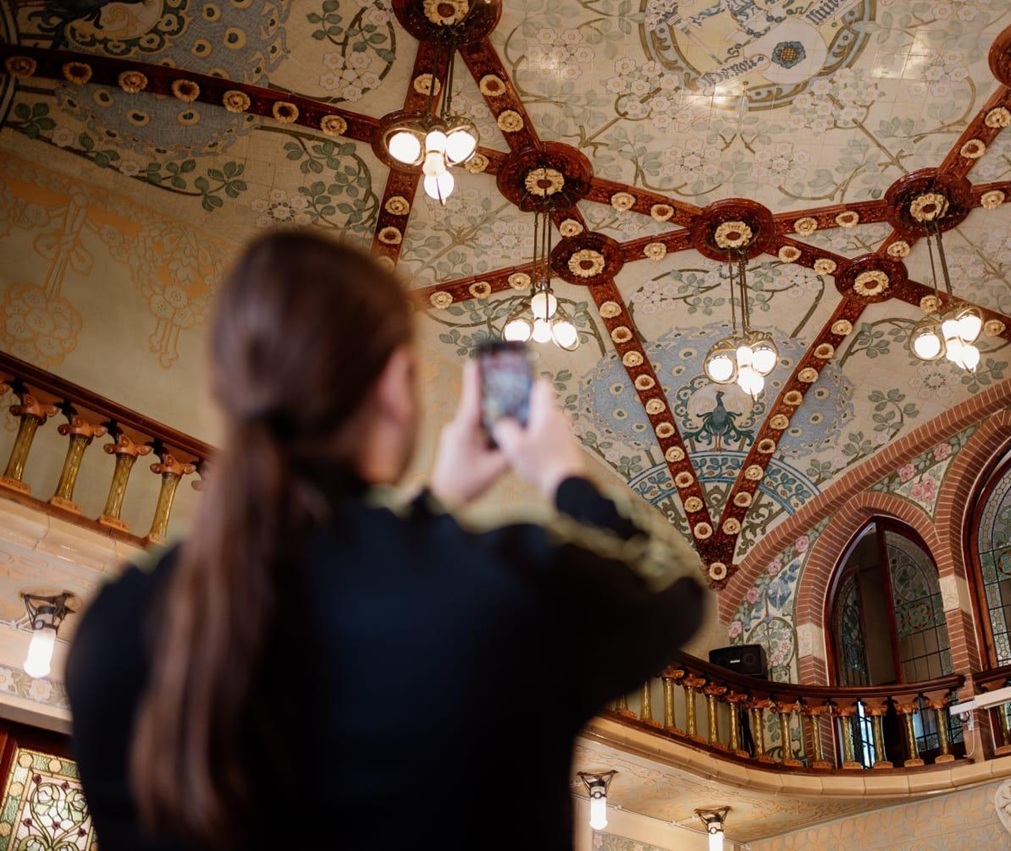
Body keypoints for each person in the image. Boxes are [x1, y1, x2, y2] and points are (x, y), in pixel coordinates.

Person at [64, 228, 707, 850]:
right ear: (395, 386)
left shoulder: (116, 624)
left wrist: (437, 504)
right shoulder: (507, 588)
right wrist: (562, 476)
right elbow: (676, 586)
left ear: (230, 388)